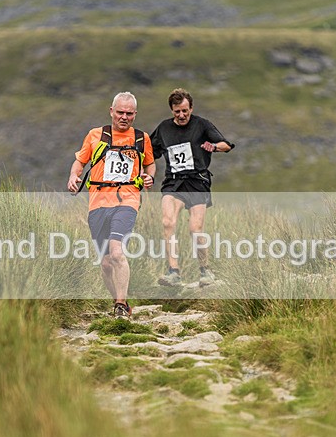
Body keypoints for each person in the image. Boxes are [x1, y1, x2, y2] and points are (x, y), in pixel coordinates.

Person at [68, 92, 155, 317]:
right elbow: (80, 161)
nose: (124, 117)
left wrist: (149, 177)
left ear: (135, 114)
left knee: (117, 252)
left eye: (129, 114)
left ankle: (120, 304)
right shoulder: (96, 135)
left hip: (128, 200)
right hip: (97, 203)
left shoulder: (141, 138)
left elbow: (150, 164)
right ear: (111, 111)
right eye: (120, 113)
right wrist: (73, 176)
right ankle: (119, 302)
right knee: (106, 262)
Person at [150, 88, 234, 288]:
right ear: (172, 110)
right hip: (173, 182)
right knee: (168, 222)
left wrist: (213, 147)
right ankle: (173, 272)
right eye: (177, 111)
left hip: (197, 181)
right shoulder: (163, 128)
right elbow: (149, 153)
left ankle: (206, 271)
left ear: (191, 108)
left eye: (185, 111)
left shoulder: (202, 124)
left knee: (195, 228)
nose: (181, 115)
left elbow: (226, 145)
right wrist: (145, 172)